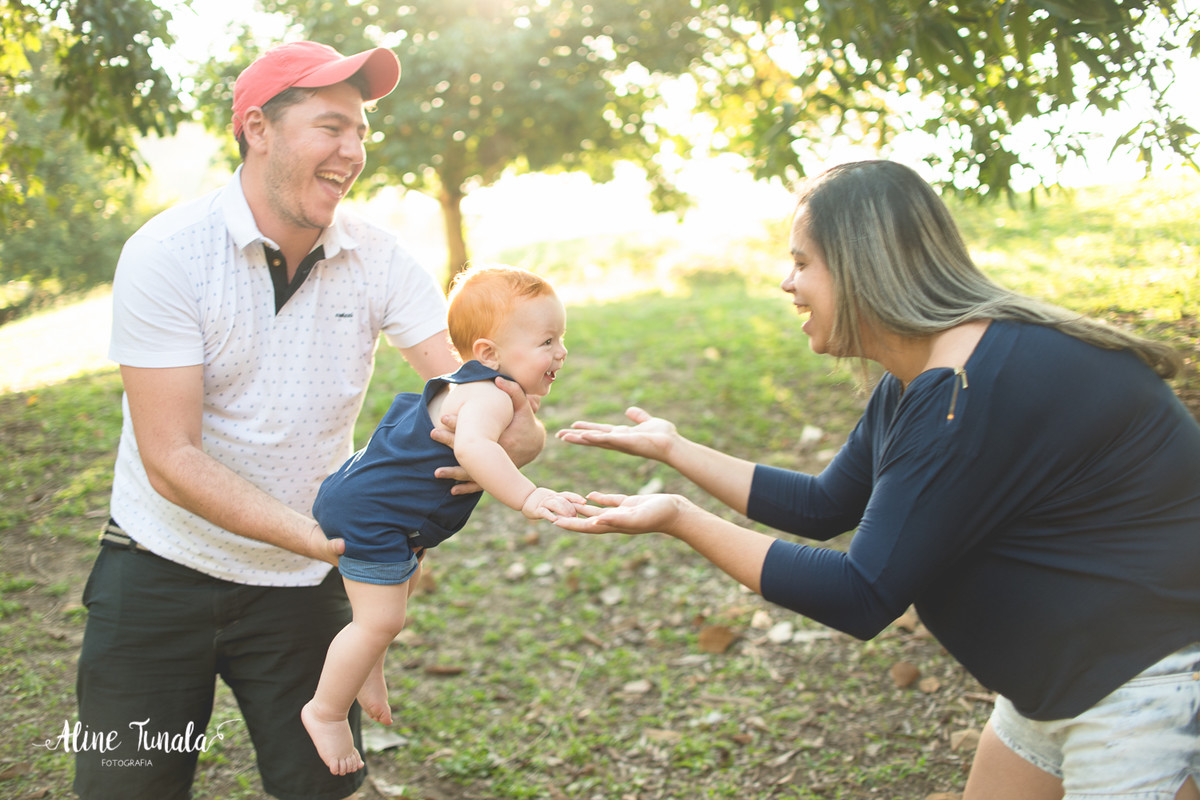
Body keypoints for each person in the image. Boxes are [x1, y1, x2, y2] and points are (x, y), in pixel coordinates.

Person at [554, 160, 1200, 799]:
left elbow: (861, 593)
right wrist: (675, 449)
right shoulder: (923, 379)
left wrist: (679, 518)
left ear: (864, 263)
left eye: (803, 262)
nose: (787, 283)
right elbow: (824, 504)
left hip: (1144, 686)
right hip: (1061, 682)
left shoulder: (967, 391)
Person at [76, 42, 543, 800]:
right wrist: (333, 541)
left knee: (322, 790)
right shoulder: (166, 253)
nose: (353, 151)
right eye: (331, 127)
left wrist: (507, 434)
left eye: (361, 132)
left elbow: (488, 396)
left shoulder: (381, 261)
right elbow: (170, 457)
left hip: (303, 590)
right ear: (258, 127)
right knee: (124, 790)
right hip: (156, 574)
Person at [301, 263, 580, 774]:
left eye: (561, 337)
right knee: (382, 618)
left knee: (400, 589)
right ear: (489, 354)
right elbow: (473, 447)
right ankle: (325, 711)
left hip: (373, 504)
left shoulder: (470, 384)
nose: (560, 351)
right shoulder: (489, 395)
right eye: (546, 341)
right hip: (374, 516)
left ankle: (367, 668)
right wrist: (528, 496)